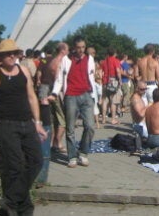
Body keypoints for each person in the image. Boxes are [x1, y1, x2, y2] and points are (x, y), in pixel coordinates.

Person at [0, 39, 47, 215]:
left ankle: (10, 201)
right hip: (7, 125)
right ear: (1, 56)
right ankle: (23, 209)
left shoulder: (24, 71)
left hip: (27, 123)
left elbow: (32, 97)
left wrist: (38, 123)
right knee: (15, 167)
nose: (12, 56)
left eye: (15, 53)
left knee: (36, 161)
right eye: (8, 53)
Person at [51, 36, 98, 168]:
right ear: (74, 48)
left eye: (83, 47)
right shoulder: (66, 60)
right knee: (70, 128)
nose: (81, 50)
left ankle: (83, 153)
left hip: (86, 94)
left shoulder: (90, 59)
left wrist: (94, 96)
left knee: (90, 126)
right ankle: (72, 156)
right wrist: (55, 92)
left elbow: (92, 77)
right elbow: (60, 78)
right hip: (71, 95)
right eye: (79, 47)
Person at [44, 42, 68, 153]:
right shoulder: (59, 62)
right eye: (67, 49)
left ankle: (53, 142)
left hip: (50, 91)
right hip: (57, 93)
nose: (68, 51)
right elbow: (59, 80)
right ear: (62, 50)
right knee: (63, 120)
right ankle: (57, 143)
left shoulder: (52, 61)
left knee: (55, 120)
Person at [101, 47, 122, 125]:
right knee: (113, 101)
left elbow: (101, 72)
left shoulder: (104, 61)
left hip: (105, 82)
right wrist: (120, 80)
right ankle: (113, 119)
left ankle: (103, 119)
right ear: (114, 53)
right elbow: (118, 71)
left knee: (105, 101)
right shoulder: (116, 60)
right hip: (113, 81)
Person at [131, 80, 149, 149]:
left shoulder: (140, 97)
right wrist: (148, 106)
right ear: (137, 88)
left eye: (145, 89)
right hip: (139, 126)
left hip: (143, 124)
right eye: (142, 89)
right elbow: (141, 114)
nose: (144, 91)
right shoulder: (135, 99)